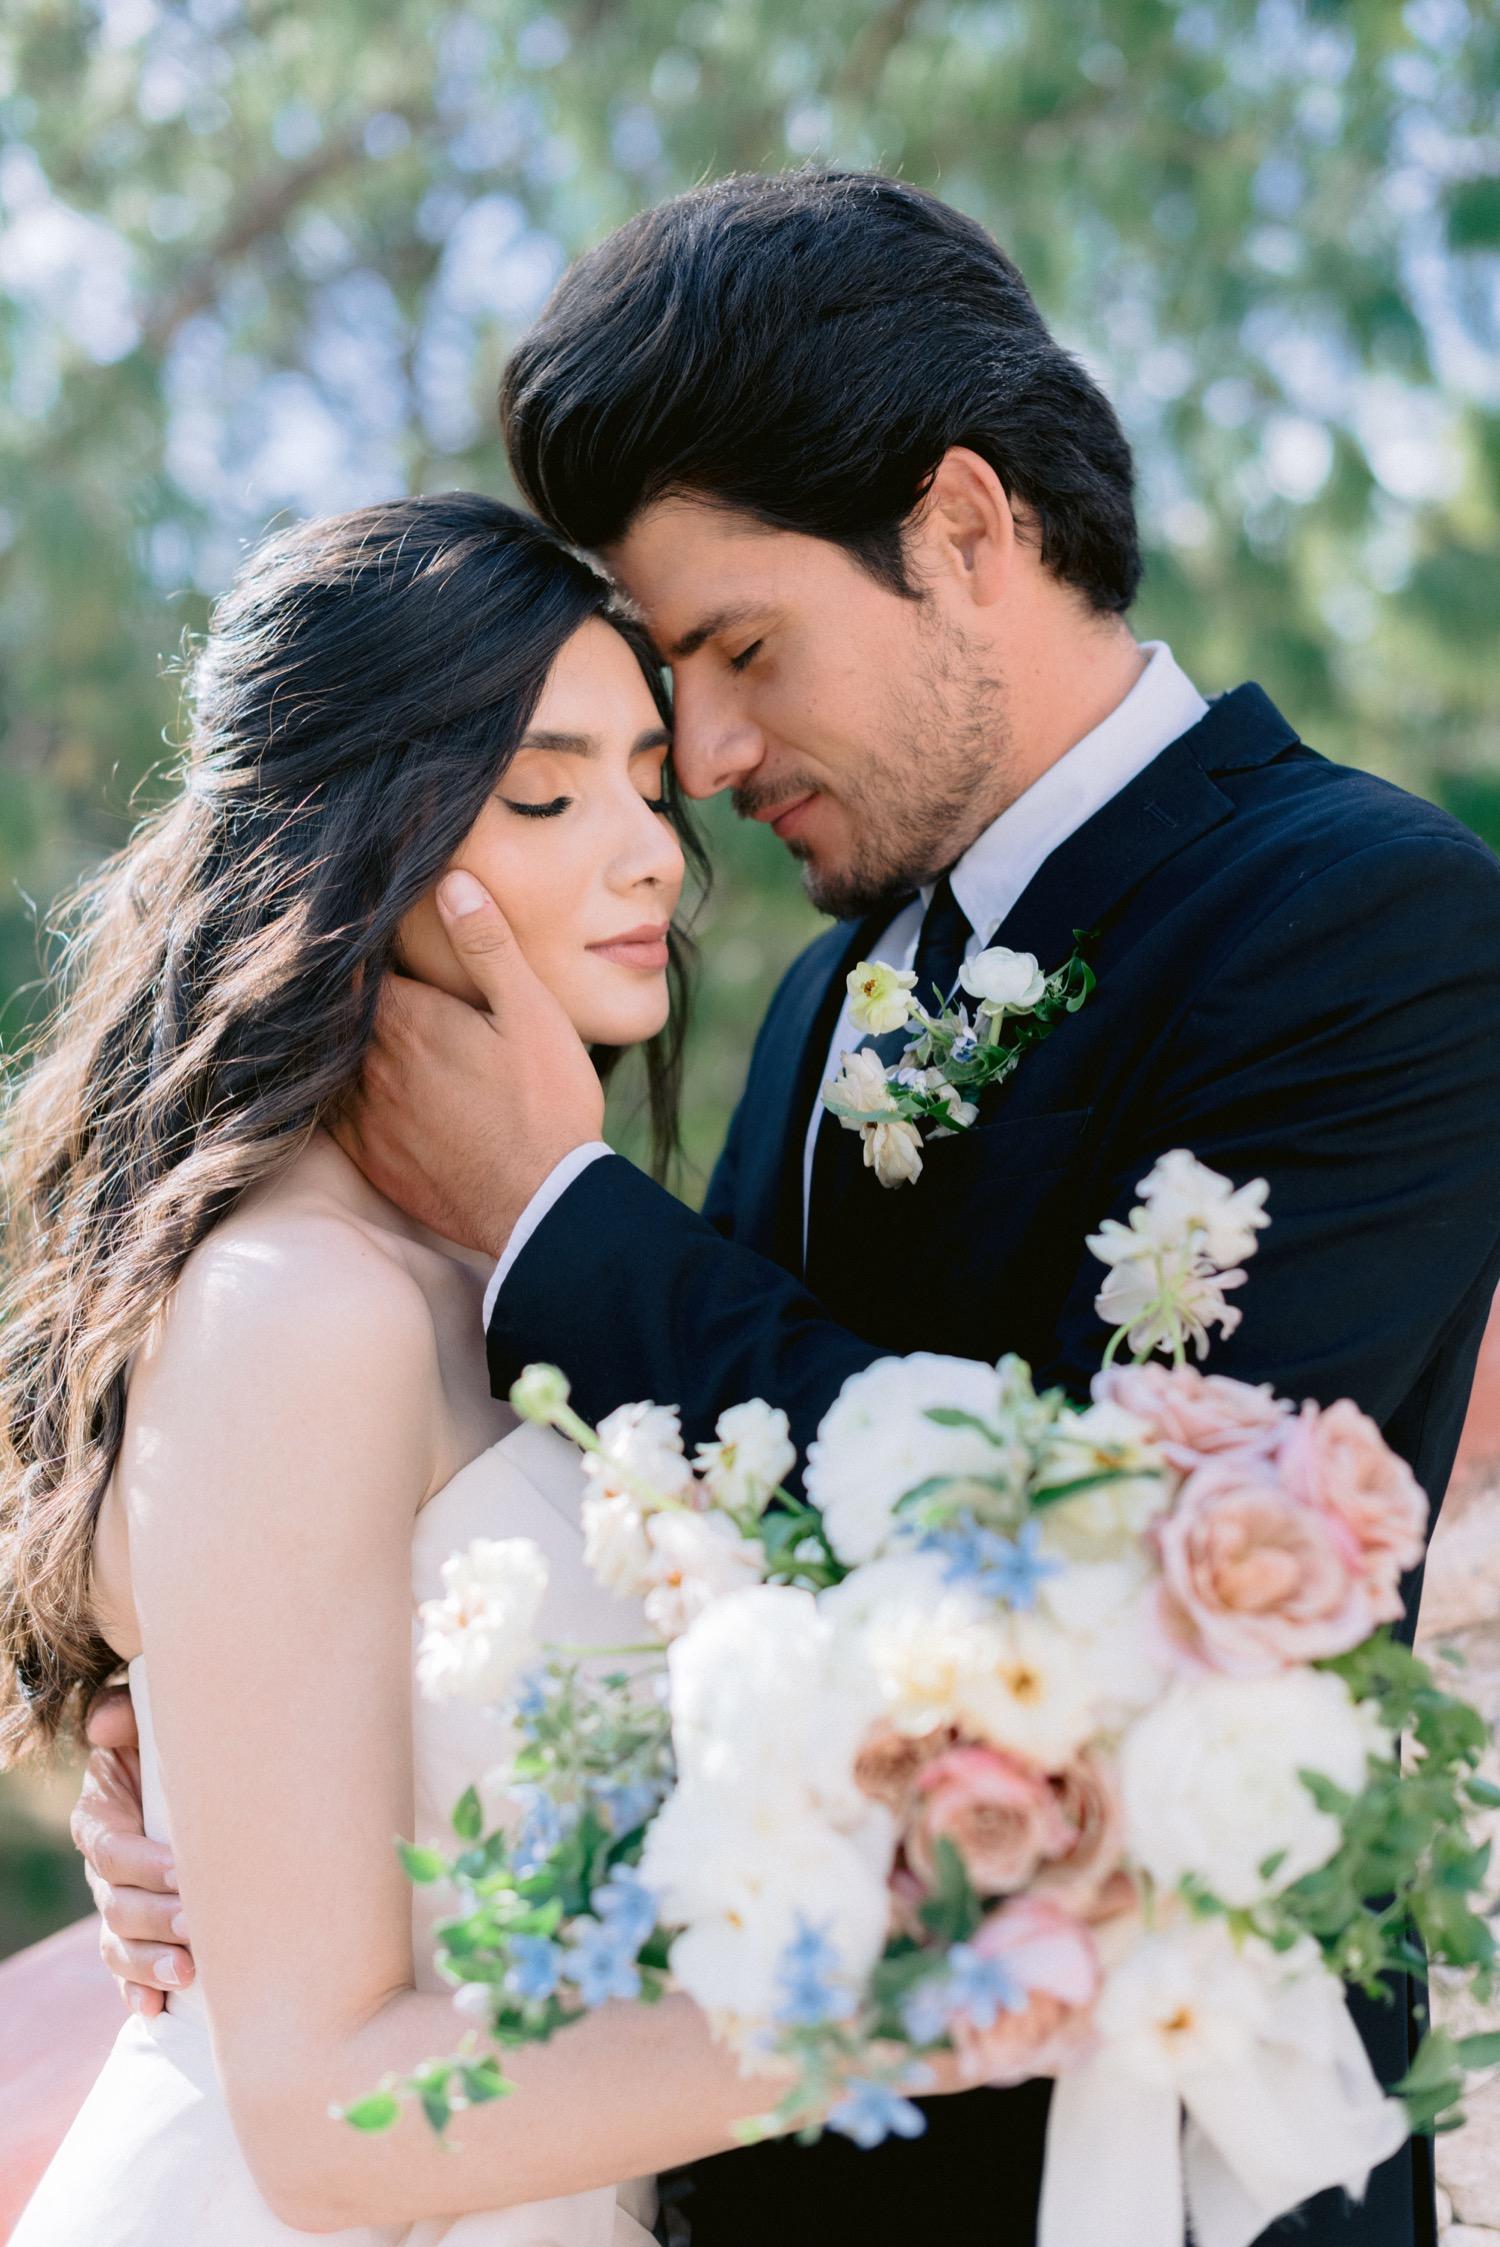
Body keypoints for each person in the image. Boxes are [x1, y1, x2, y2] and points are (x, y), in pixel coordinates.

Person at [77, 172, 1500, 2246]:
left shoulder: (1368, 921)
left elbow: (1139, 1596)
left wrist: (558, 1212)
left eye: (741, 654)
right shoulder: (842, 996)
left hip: (1151, 2174)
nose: (713, 763)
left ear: (964, 525)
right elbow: (706, 1548)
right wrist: (273, 1766)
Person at [1, 492, 884, 2243]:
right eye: (547, 793)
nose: (648, 852)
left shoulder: (496, 1280)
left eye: (646, 780)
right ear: (361, 838)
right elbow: (322, 2115)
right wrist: (901, 2011)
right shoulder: (298, 1308)